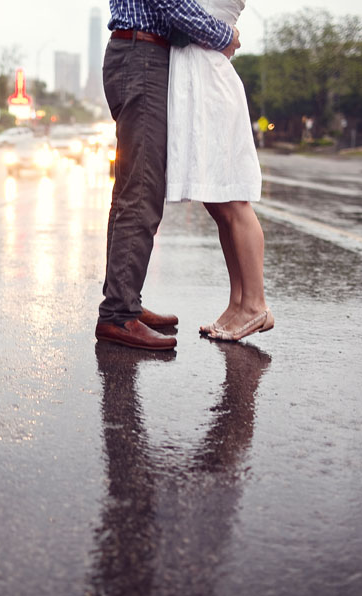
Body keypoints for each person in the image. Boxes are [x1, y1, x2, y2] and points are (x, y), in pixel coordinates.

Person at [95, 0, 242, 351]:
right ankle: (118, 315)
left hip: (137, 55)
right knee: (141, 192)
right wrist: (226, 35)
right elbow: (172, 4)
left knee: (131, 190)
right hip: (141, 58)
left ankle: (123, 300)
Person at [165, 0, 274, 341]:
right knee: (217, 204)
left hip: (211, 85)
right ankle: (238, 303)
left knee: (233, 200)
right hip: (200, 81)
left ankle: (256, 305)